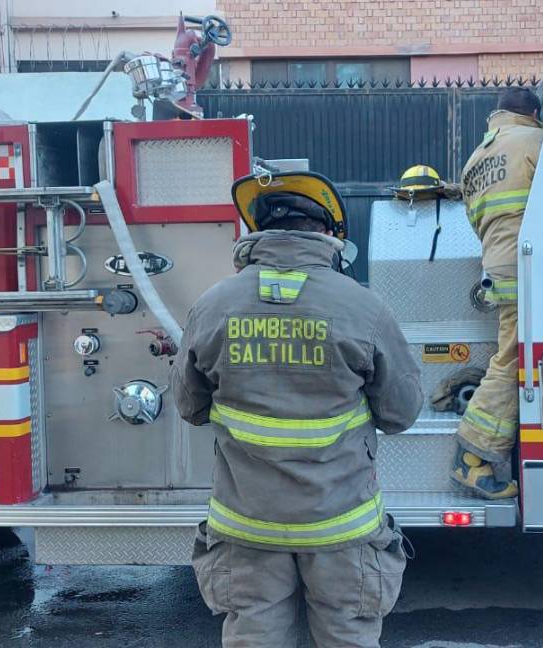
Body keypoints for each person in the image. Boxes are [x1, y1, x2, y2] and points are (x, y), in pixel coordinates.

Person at [172, 170, 424, 647]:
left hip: (246, 527)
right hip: (341, 527)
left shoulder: (212, 306)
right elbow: (401, 412)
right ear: (328, 235)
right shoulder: (363, 307)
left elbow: (189, 405)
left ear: (258, 232)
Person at [450, 87, 543, 500]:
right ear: (533, 114)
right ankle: (473, 461)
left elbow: (477, 222)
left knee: (510, 353)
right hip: (532, 269)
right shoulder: (538, 142)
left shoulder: (475, 160)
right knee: (512, 360)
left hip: (498, 267)